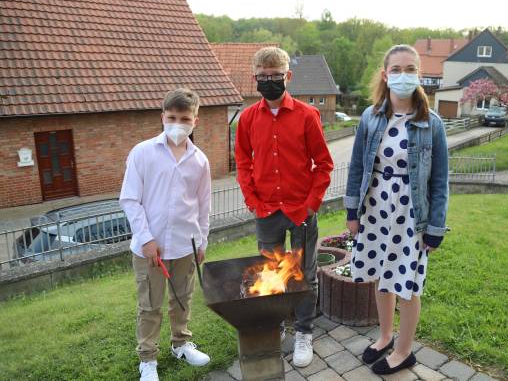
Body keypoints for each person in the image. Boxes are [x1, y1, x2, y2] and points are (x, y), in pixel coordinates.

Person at [344, 44, 449, 375]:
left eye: (410, 69)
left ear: (418, 75)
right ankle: (385, 336)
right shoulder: (370, 117)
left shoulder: (431, 124)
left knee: (406, 285)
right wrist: (351, 212)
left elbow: (440, 182)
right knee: (380, 277)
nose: (403, 75)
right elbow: (357, 167)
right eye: (397, 69)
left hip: (411, 217)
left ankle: (404, 351)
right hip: (375, 210)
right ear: (385, 74)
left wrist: (435, 228)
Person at [235, 47, 334, 368]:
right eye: (263, 77)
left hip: (301, 212)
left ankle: (304, 332)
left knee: (304, 274)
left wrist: (310, 205)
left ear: (287, 76)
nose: (269, 81)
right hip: (266, 213)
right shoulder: (248, 118)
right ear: (255, 79)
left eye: (275, 76)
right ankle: (275, 326)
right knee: (270, 272)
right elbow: (242, 163)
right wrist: (252, 201)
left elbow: (324, 164)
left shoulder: (307, 115)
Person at [120, 88, 212, 381]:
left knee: (182, 299)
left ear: (195, 121)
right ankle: (147, 359)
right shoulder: (143, 153)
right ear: (162, 116)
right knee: (150, 305)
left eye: (184, 118)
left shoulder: (200, 161)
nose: (177, 123)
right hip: (151, 248)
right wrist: (146, 239)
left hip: (186, 245)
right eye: (171, 117)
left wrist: (202, 241)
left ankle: (181, 344)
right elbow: (130, 199)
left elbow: (203, 206)